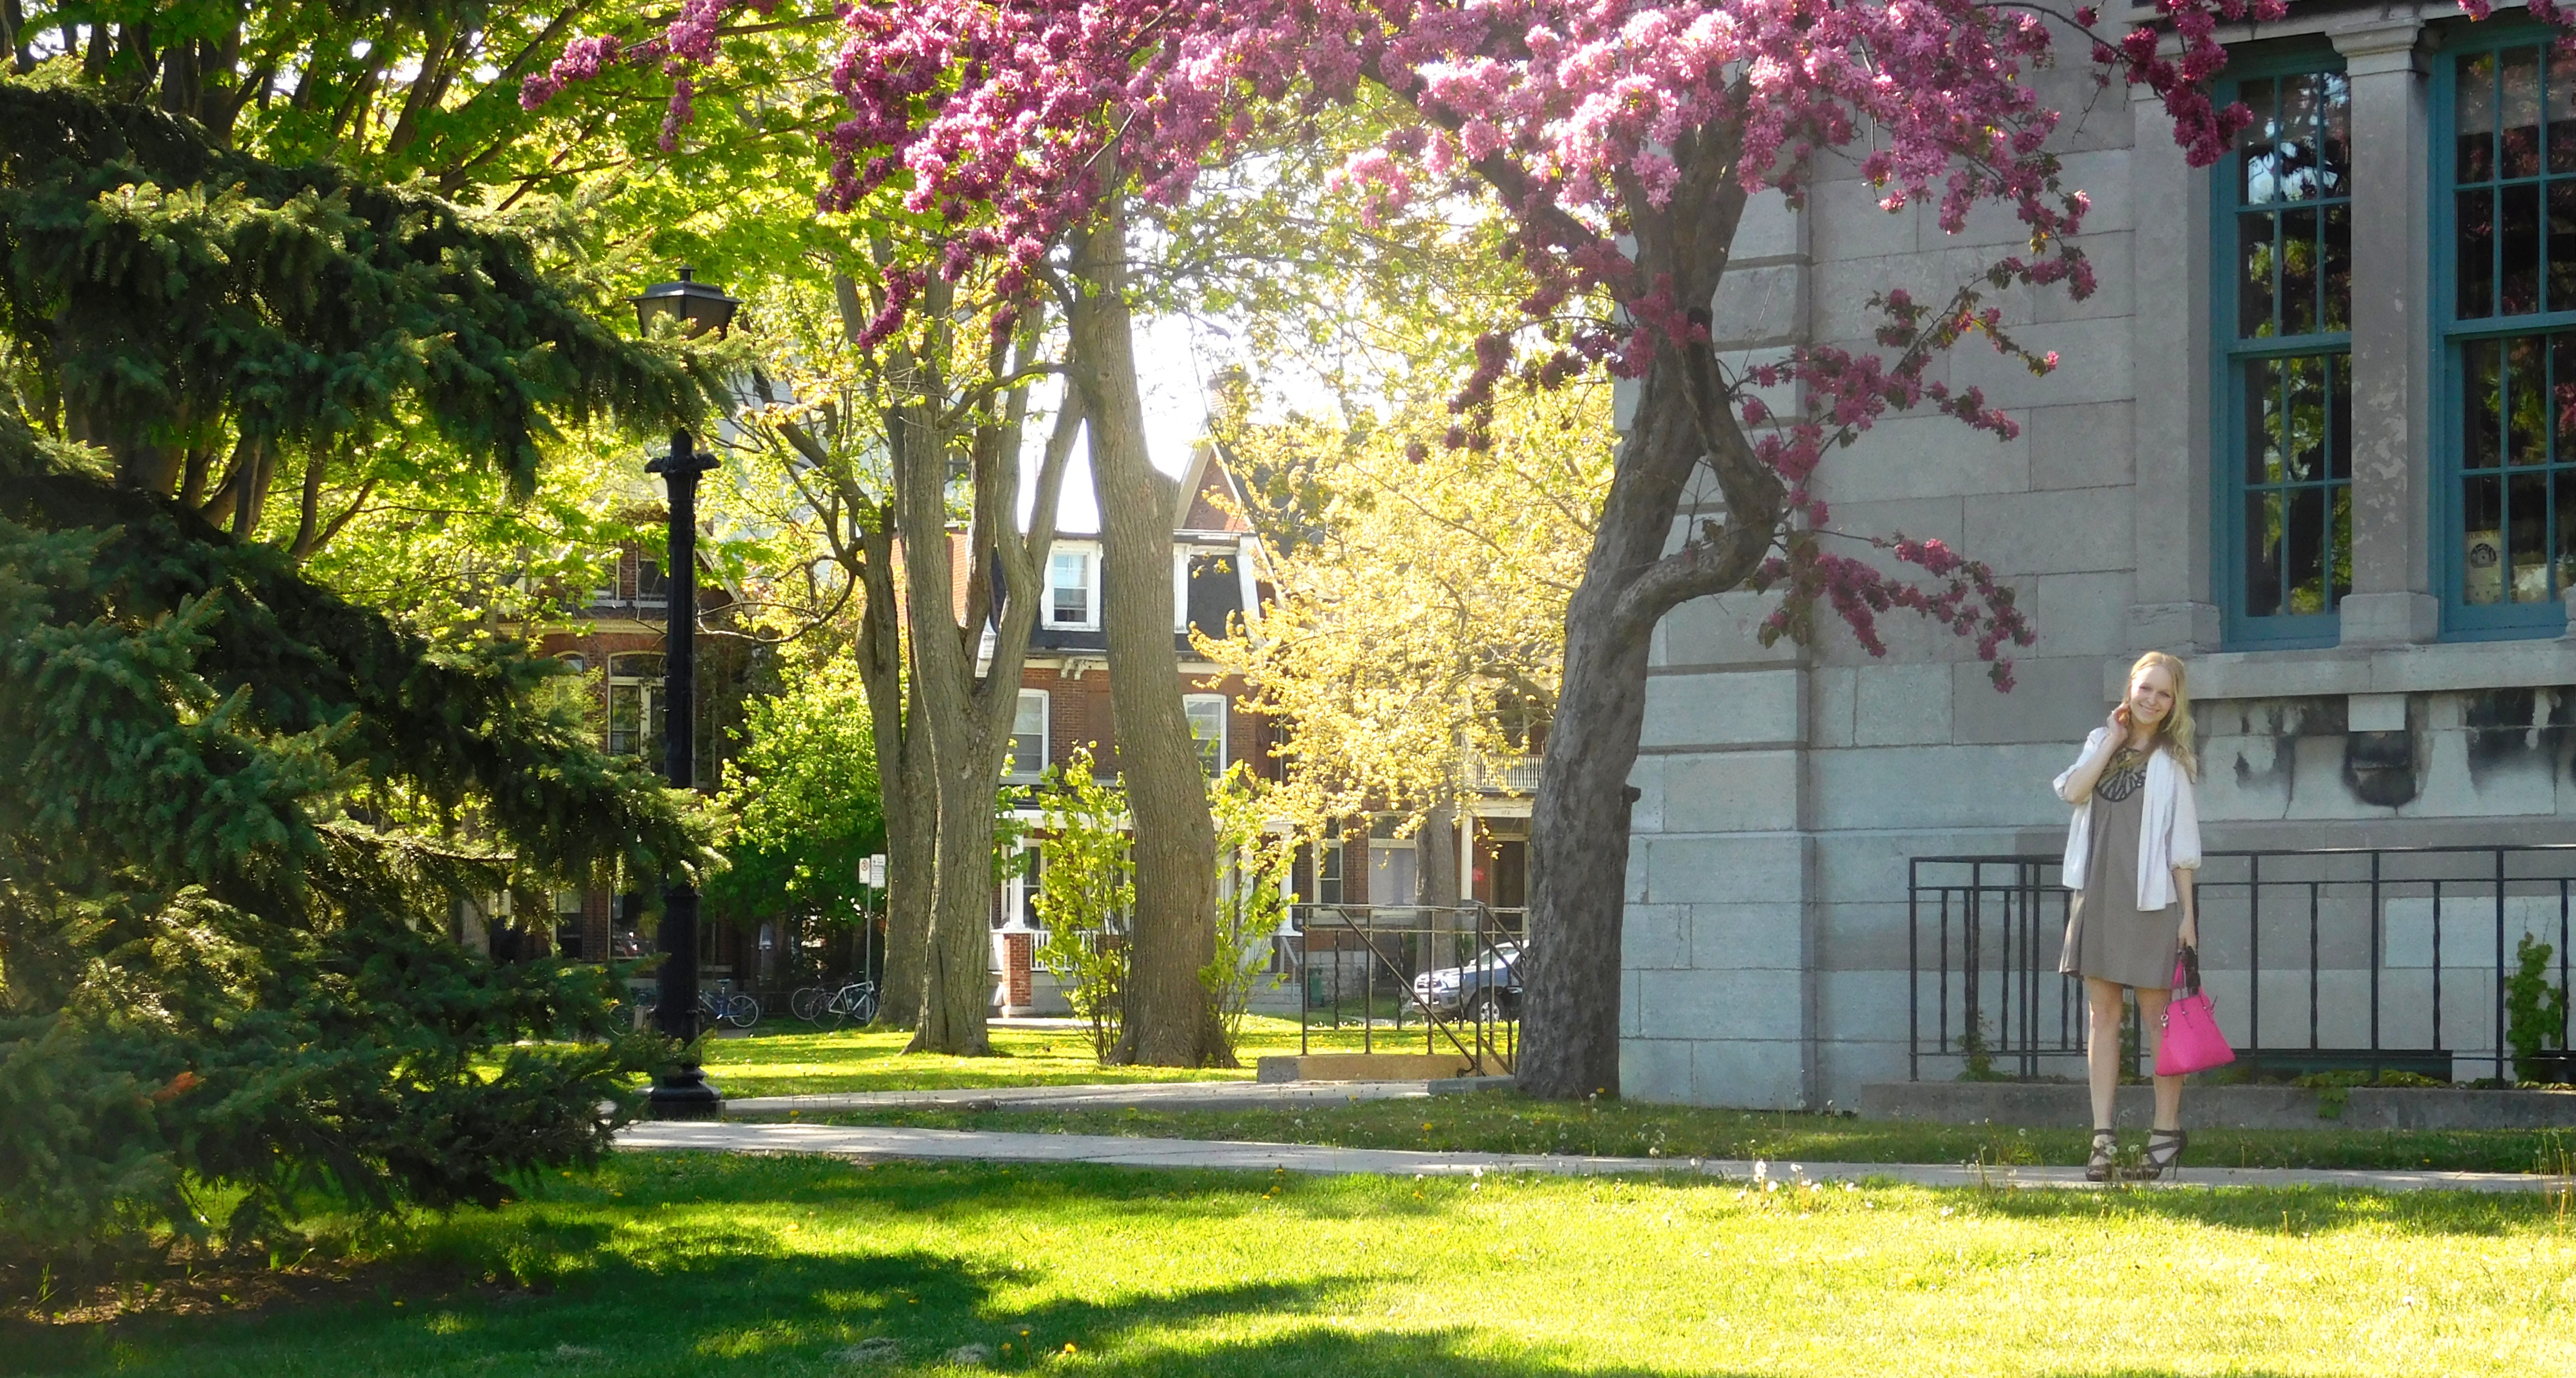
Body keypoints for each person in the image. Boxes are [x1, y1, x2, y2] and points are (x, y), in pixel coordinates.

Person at [2053, 651, 2203, 1182]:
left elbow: (2183, 847)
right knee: (2103, 1017)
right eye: (2146, 688)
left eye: (2164, 693)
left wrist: (2187, 917)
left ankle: (2165, 1134)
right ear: (2131, 687)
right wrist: (2113, 740)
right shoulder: (2101, 742)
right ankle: (2102, 1139)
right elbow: (2072, 791)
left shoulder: (2173, 761)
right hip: (2097, 895)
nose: (2152, 700)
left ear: (2173, 703)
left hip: (2152, 901)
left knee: (2160, 1021)